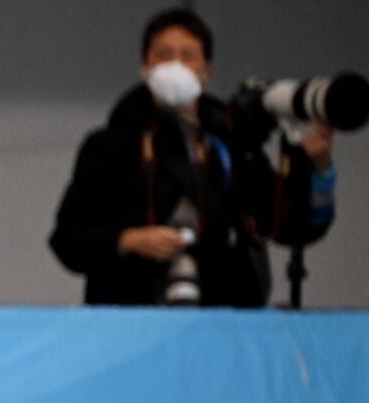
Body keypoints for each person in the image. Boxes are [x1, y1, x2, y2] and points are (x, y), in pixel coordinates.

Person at [49, 8, 337, 307]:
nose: (176, 65)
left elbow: (290, 227)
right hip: (132, 313)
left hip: (225, 313)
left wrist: (319, 170)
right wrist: (129, 240)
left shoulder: (232, 143)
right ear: (144, 66)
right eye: (164, 55)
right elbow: (67, 240)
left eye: (187, 56)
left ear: (206, 71)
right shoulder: (110, 145)